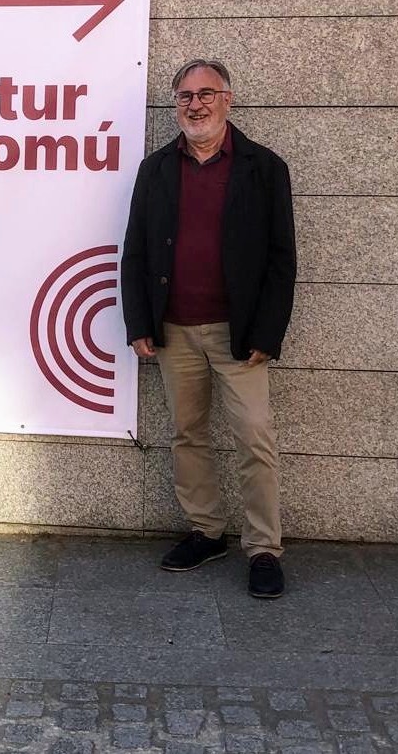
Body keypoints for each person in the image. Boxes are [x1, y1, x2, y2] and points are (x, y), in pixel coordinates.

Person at [121, 59, 296, 599]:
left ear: (228, 99)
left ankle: (263, 547)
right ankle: (207, 530)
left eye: (205, 94)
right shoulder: (156, 170)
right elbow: (136, 250)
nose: (194, 104)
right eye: (184, 96)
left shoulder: (264, 168)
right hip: (174, 331)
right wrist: (139, 322)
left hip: (237, 334)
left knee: (254, 437)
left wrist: (268, 333)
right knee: (187, 433)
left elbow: (280, 259)